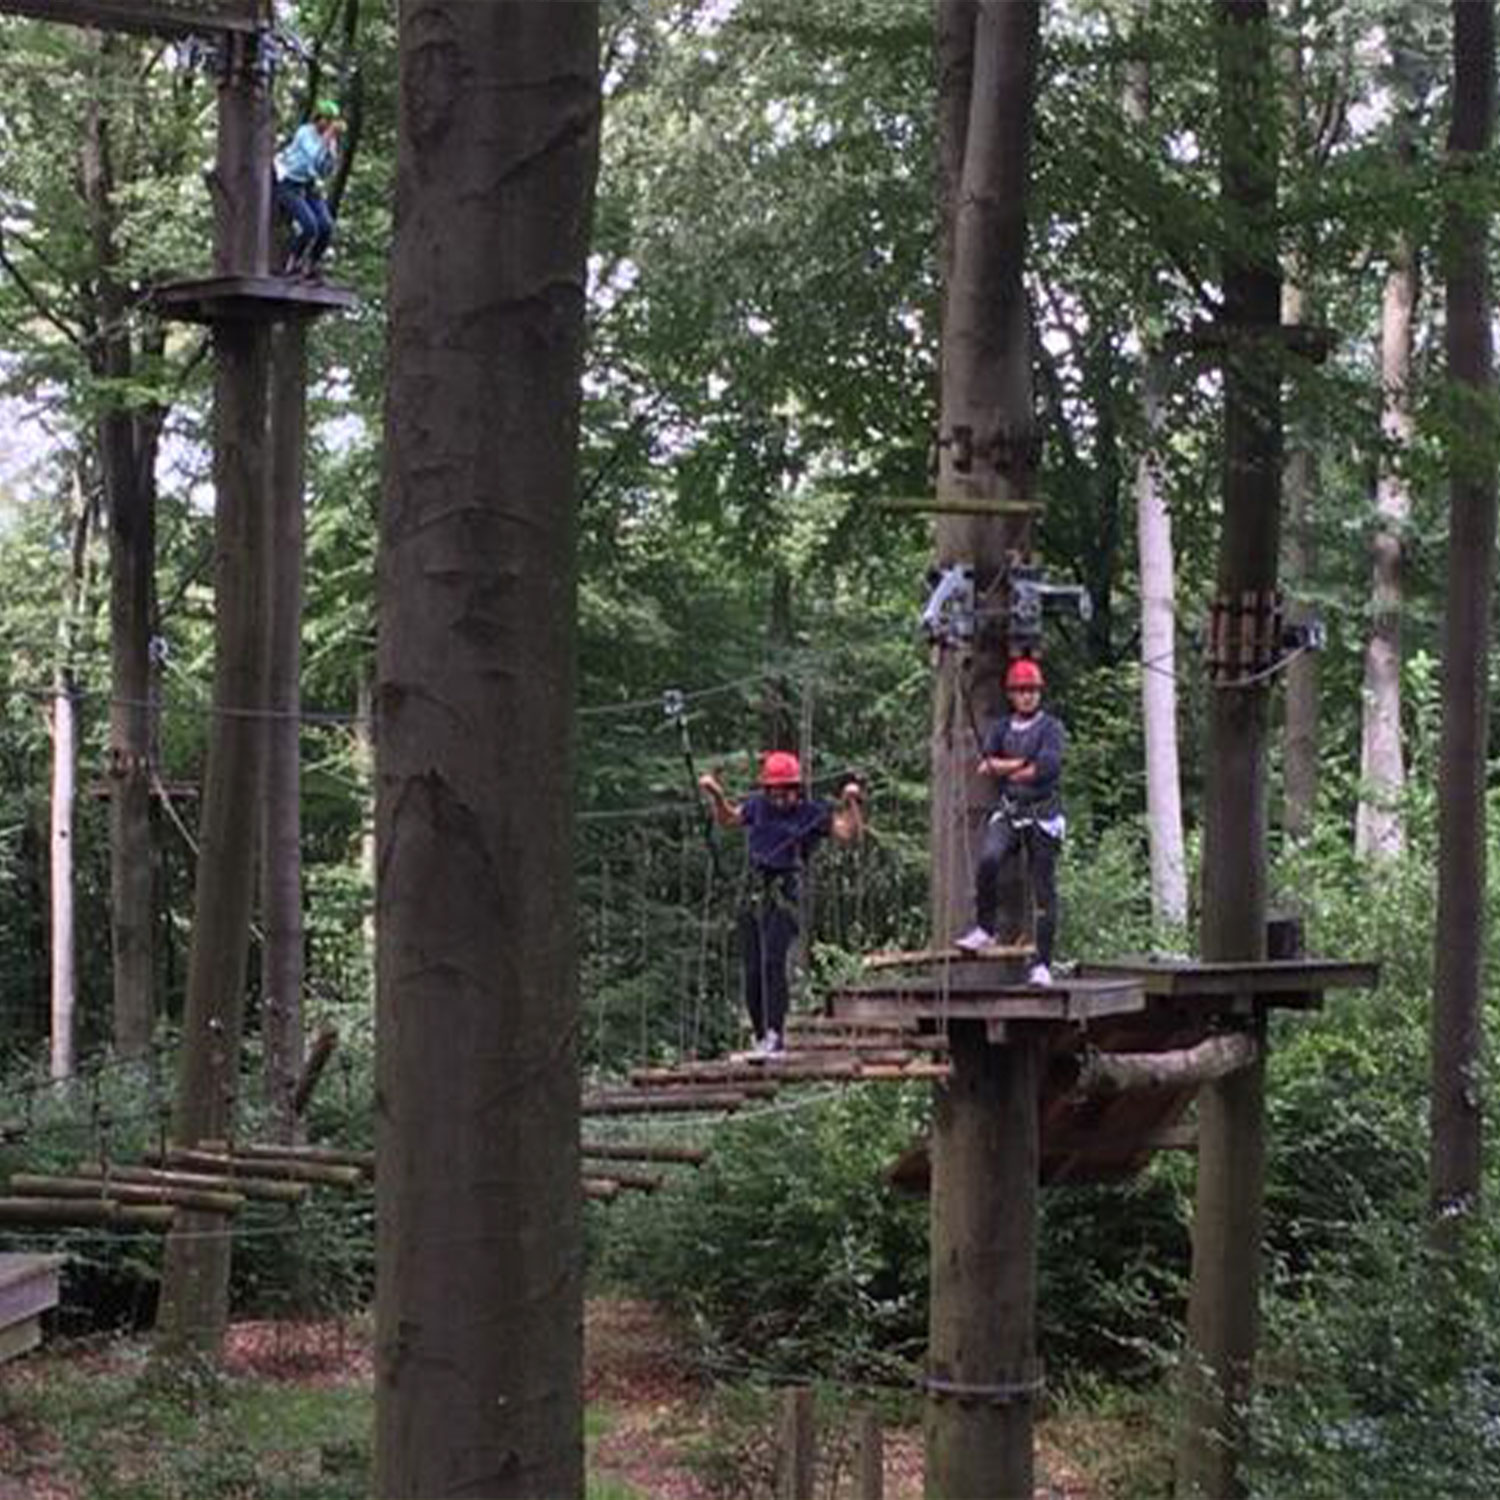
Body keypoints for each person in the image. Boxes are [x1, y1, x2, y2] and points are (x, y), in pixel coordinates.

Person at [698, 752, 864, 1056]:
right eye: (775, 790)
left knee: (773, 962)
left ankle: (775, 1035)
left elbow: (847, 834)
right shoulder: (758, 807)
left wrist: (852, 802)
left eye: (786, 789)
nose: (780, 796)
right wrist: (716, 795)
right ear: (767, 790)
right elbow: (728, 819)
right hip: (754, 891)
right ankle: (761, 1036)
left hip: (787, 891)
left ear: (796, 788)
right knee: (753, 969)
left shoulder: (810, 813)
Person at [954, 657, 1066, 984]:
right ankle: (985, 928)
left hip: (1043, 815)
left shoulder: (1051, 728)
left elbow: (1045, 770)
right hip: (1011, 810)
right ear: (1011, 695)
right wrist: (1020, 764)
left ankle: (1043, 964)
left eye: (1032, 690)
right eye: (1021, 691)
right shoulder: (1000, 728)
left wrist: (1008, 766)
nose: (1027, 696)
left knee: (1043, 890)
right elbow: (986, 767)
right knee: (988, 861)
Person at [275, 99, 344, 278]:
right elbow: (312, 156)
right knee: (309, 226)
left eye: (331, 121)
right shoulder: (305, 132)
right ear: (317, 119)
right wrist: (327, 138)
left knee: (326, 226)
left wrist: (331, 153)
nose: (328, 126)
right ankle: (292, 263)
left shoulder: (328, 139)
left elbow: (324, 170)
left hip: (309, 186)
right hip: (290, 184)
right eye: (326, 121)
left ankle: (312, 264)